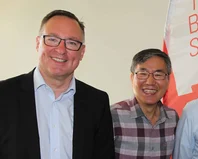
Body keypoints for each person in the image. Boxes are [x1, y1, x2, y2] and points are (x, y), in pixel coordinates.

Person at [0, 10, 114, 159]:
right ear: (37, 43)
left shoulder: (98, 102)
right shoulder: (4, 95)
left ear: (82, 52)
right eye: (53, 39)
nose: (61, 50)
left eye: (72, 43)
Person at [111, 49, 179, 159]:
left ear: (168, 80)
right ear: (132, 78)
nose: (150, 82)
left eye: (158, 74)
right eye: (143, 74)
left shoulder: (172, 118)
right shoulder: (113, 115)